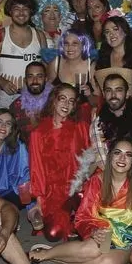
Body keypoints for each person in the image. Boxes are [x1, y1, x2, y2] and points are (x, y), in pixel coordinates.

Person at [28, 138, 132, 264]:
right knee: (91, 250)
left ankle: (55, 256)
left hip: (127, 241)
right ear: (110, 155)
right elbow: (83, 216)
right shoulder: (97, 181)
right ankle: (44, 255)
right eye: (117, 153)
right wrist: (94, 232)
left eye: (128, 155)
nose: (122, 158)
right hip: (102, 234)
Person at [28, 83, 90, 240]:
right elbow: (37, 168)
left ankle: (79, 217)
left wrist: (84, 181)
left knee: (84, 207)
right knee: (53, 234)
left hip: (78, 188)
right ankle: (70, 219)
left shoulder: (81, 127)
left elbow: (89, 157)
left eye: (71, 101)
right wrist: (40, 200)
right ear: (53, 101)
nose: (66, 104)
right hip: (53, 192)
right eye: (62, 99)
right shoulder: (38, 133)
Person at [0, 0, 46, 109]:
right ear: (10, 11)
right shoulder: (1, 34)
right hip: (7, 97)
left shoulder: (39, 35)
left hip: (34, 96)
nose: (21, 13)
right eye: (16, 9)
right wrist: (1, 82)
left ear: (30, 12)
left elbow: (46, 67)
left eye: (25, 9)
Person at [8, 61, 51, 143]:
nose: (35, 80)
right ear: (25, 80)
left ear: (46, 79)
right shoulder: (16, 106)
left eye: (39, 76)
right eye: (30, 76)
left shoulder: (56, 103)